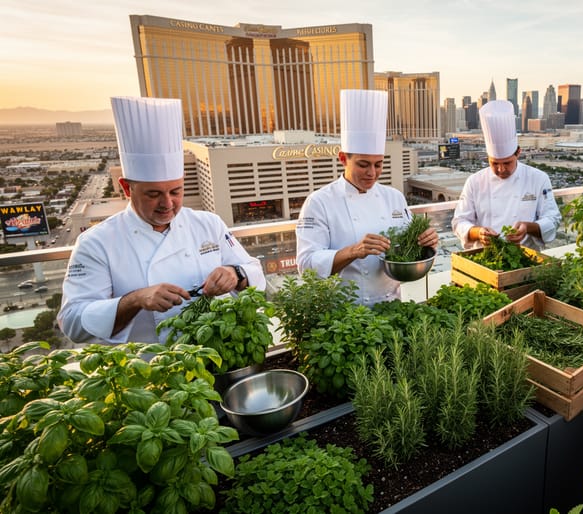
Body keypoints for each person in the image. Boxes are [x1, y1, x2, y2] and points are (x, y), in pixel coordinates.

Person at [58, 97, 265, 345]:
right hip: (147, 368)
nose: (167, 203)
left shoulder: (208, 223)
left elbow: (254, 271)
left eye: (176, 191)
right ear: (126, 188)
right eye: (153, 194)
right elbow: (72, 322)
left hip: (215, 354)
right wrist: (135, 300)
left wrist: (235, 273)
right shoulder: (96, 242)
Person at [296, 89, 438, 306]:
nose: (372, 173)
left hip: (391, 306)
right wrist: (353, 251)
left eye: (378, 164)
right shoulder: (319, 202)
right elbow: (306, 265)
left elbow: (409, 251)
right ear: (343, 158)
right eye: (363, 164)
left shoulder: (394, 197)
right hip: (344, 313)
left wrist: (427, 242)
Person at [451, 100, 562, 250]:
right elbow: (459, 222)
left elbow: (552, 219)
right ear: (487, 158)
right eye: (495, 163)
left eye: (507, 163)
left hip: (525, 256)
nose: (501, 169)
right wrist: (479, 232)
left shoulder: (538, 178)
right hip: (485, 256)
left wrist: (527, 227)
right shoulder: (474, 182)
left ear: (518, 153)